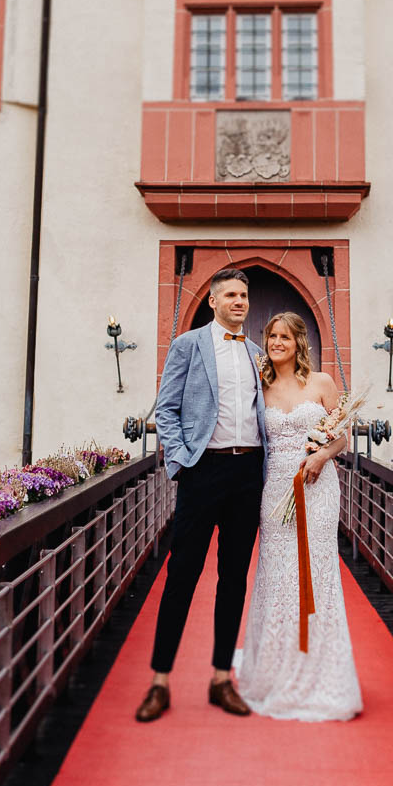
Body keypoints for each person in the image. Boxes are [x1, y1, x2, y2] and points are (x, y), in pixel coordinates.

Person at [136, 267, 267, 723]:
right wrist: (180, 460)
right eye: (230, 295)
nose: (239, 301)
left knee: (233, 578)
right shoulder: (187, 345)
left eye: (243, 295)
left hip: (248, 472)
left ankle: (220, 678)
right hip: (202, 470)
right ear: (213, 301)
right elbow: (167, 408)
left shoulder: (257, 354)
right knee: (182, 575)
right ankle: (159, 680)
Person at [235, 311, 362, 721]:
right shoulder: (260, 388)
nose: (276, 342)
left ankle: (319, 670)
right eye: (272, 336)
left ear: (298, 343)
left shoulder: (321, 383)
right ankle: (274, 669)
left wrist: (322, 456)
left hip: (317, 487)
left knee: (317, 571)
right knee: (277, 573)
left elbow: (342, 436)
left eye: (285, 337)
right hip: (275, 489)